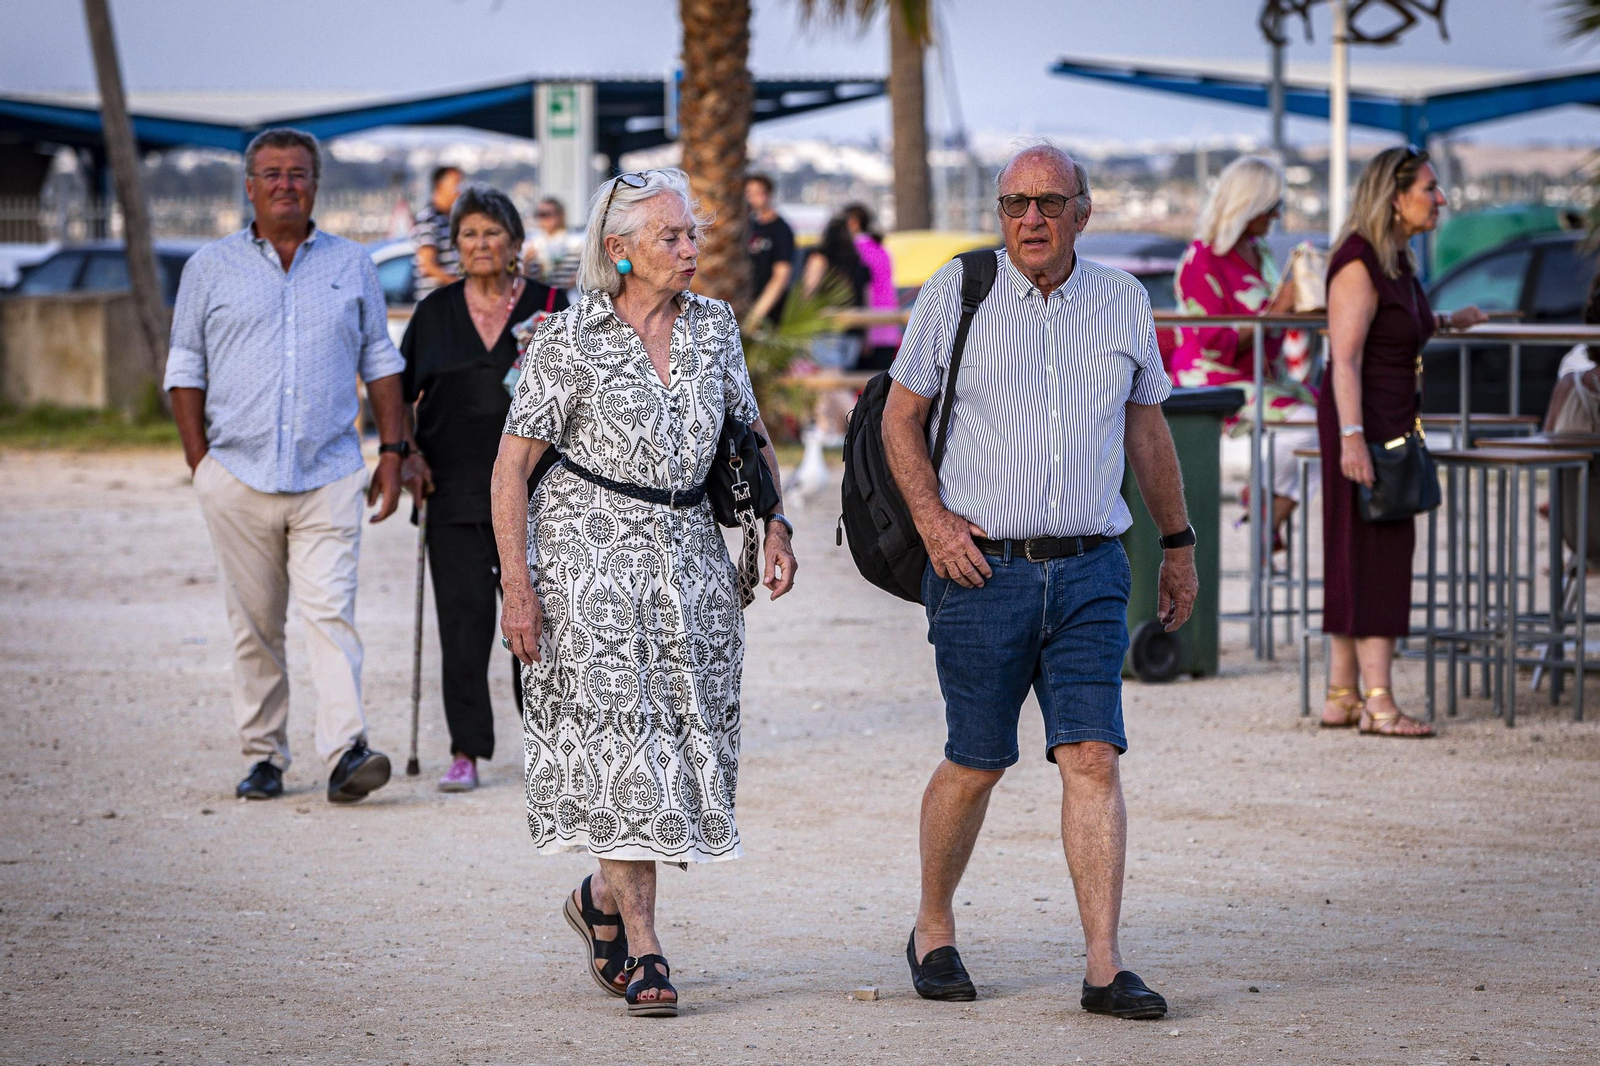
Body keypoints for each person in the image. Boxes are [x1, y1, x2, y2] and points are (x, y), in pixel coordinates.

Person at [882, 144, 1197, 1019]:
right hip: (983, 570)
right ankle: (934, 928)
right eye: (1016, 202)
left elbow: (1147, 433)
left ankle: (1103, 965)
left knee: (1092, 754)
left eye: (1050, 204)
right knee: (977, 761)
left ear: (1083, 215)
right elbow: (900, 421)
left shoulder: (1124, 301)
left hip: (1093, 564)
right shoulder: (958, 290)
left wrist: (1179, 543)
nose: (1031, 218)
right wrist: (935, 524)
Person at [490, 168, 798, 1017]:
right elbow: (510, 470)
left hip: (690, 564)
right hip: (585, 566)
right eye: (673, 237)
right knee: (626, 755)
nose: (692, 248)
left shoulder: (715, 329)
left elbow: (750, 432)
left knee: (673, 751)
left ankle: (599, 899)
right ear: (618, 251)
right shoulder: (567, 337)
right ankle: (648, 949)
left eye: (693, 233)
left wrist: (776, 526)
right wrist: (518, 588)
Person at [165, 127, 407, 803]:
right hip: (236, 475)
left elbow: (380, 363)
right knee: (255, 625)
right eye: (270, 174)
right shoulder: (209, 268)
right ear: (249, 187)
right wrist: (201, 467)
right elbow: (184, 368)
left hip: (328, 471)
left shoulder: (351, 263)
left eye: (297, 173)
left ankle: (345, 753)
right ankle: (264, 755)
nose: (284, 184)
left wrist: (392, 452)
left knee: (330, 615)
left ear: (315, 185)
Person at [397, 184, 569, 792]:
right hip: (454, 494)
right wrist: (407, 454)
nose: (480, 244)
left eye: (492, 233)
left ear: (516, 242)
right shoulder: (434, 313)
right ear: (455, 245)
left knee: (542, 625)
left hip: (542, 498)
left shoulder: (556, 306)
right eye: (468, 234)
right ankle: (466, 748)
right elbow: (397, 395)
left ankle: (551, 746)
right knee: (464, 624)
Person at [1319, 145, 1487, 735]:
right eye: (1430, 188)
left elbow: (1392, 326)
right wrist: (1353, 438)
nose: (1440, 199)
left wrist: (1446, 321)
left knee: (1359, 545)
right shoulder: (1359, 262)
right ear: (1395, 197)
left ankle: (1342, 694)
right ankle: (1379, 700)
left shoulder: (1395, 259)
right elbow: (1344, 360)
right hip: (1366, 419)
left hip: (1382, 418)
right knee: (1376, 551)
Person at [1172, 155, 1315, 544]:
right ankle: (1266, 515)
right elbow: (1215, 344)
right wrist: (1278, 309)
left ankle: (1267, 508)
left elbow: (1273, 319)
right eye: (1271, 205)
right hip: (1216, 378)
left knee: (1335, 414)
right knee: (1306, 422)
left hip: (1263, 376)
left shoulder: (1260, 252)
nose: (1277, 214)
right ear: (1248, 205)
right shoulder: (1202, 259)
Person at [799, 212, 868, 368]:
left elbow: (808, 291)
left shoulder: (819, 259)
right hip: (854, 328)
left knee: (832, 383)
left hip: (826, 327)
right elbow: (865, 296)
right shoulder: (856, 260)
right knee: (841, 380)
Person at [843, 202, 903, 370]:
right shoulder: (881, 249)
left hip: (865, 329)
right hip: (888, 327)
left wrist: (865, 334)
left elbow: (865, 291)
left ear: (853, 222)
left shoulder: (854, 251)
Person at [743, 172, 794, 330]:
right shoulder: (746, 226)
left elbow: (781, 276)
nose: (752, 199)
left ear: (769, 195)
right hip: (741, 304)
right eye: (748, 194)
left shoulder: (781, 229)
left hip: (769, 316)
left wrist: (755, 316)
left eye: (757, 193)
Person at [412, 165, 463, 300]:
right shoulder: (429, 219)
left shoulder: (452, 219)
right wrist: (459, 285)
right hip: (437, 304)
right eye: (456, 184)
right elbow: (427, 265)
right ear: (440, 186)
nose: (460, 190)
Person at [522, 196, 584, 291]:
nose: (541, 218)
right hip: (541, 297)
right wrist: (525, 263)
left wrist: (581, 277)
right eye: (538, 214)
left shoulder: (577, 242)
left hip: (570, 297)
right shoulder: (532, 243)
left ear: (561, 215)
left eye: (546, 214)